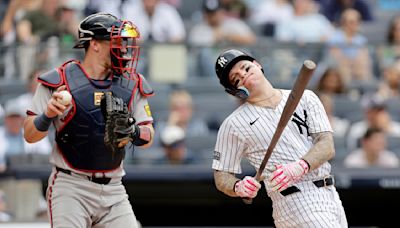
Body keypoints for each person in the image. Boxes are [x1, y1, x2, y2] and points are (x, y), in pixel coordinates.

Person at [23, 12, 155, 228]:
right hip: (71, 186)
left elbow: (148, 136)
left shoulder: (131, 83)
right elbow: (29, 135)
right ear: (94, 44)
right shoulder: (58, 81)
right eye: (116, 41)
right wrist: (48, 114)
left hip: (113, 188)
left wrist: (133, 132)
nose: (123, 48)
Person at [212, 49, 347, 227]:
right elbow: (222, 175)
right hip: (294, 200)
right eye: (236, 79)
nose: (243, 75)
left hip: (330, 194)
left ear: (257, 64)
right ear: (235, 91)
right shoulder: (233, 124)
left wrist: (300, 166)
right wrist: (237, 187)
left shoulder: (306, 98)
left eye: (245, 67)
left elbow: (327, 145)